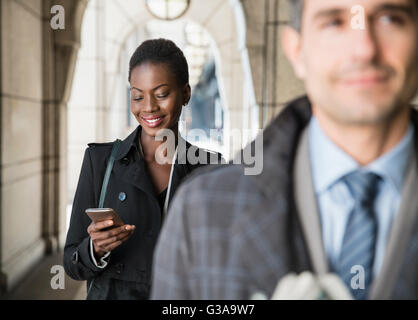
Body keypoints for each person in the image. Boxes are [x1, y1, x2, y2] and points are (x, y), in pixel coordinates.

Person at [151, 0, 418, 299]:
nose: (364, 49)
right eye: (334, 22)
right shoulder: (201, 213)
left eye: (390, 18)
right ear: (296, 49)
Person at [63, 38, 222, 300]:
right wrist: (95, 249)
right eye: (137, 96)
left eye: (161, 94)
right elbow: (71, 262)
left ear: (185, 93)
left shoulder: (210, 168)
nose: (148, 107)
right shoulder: (99, 161)